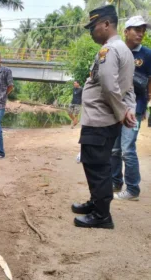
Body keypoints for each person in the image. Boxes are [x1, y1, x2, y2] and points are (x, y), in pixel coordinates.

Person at [71, 5, 137, 229]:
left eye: (94, 26)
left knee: (96, 166)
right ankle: (96, 203)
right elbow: (128, 89)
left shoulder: (109, 50)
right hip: (106, 120)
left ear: (106, 24)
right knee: (98, 164)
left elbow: (109, 86)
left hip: (100, 120)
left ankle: (101, 216)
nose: (91, 31)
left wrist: (120, 113)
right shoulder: (125, 50)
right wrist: (127, 110)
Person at [111, 16, 151, 201]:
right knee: (115, 149)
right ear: (126, 31)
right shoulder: (117, 50)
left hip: (136, 107)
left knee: (127, 148)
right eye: (136, 29)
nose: (141, 33)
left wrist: (146, 104)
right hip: (116, 107)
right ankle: (115, 181)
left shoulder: (147, 54)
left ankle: (133, 188)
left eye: (143, 29)